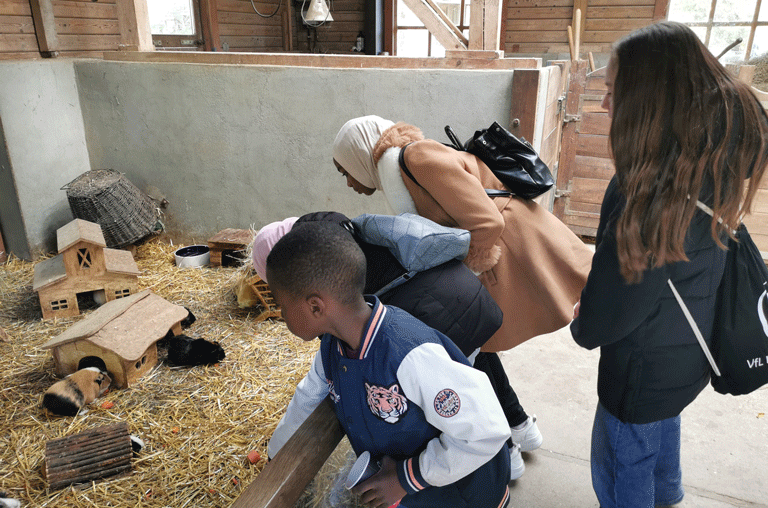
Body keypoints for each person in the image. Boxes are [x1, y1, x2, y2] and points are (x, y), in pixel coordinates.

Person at [570, 21, 768, 508]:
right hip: (690, 350)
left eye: (615, 91)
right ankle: (669, 494)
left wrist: (583, 327)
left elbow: (619, 301)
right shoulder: (712, 157)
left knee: (623, 459)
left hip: (639, 368)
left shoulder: (643, 192)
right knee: (663, 427)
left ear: (650, 101)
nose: (603, 105)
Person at [253, 211, 541, 479]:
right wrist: (275, 459)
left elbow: (484, 431)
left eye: (281, 305)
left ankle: (509, 459)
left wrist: (407, 478)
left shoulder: (409, 353)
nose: (280, 315)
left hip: (448, 494)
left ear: (315, 306)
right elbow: (307, 398)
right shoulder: (333, 347)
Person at [332, 116, 593, 354]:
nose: (348, 183)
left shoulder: (416, 157)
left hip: (514, 242)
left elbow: (488, 221)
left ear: (358, 155)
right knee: (474, 343)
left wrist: (470, 269)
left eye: (346, 171)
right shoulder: (396, 173)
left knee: (476, 340)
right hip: (503, 240)